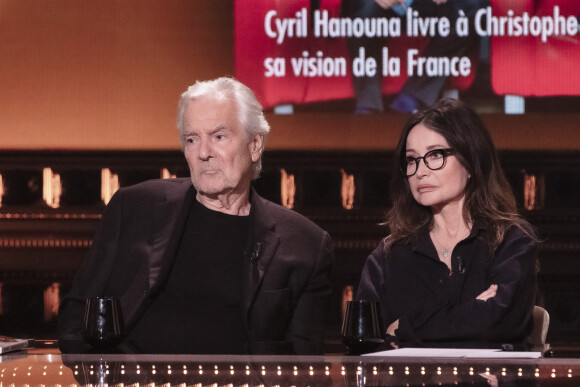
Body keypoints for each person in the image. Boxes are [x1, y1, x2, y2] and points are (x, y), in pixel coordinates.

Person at [58, 77, 334, 355]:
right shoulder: (133, 208)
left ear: (254, 145)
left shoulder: (304, 244)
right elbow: (78, 314)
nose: (203, 153)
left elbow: (304, 366)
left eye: (219, 137)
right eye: (192, 139)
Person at [357, 98, 538, 346]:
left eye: (436, 155)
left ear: (472, 161)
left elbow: (499, 324)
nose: (421, 171)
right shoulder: (387, 257)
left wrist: (407, 327)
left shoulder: (511, 241)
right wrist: (474, 312)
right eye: (412, 159)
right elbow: (366, 344)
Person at [342, 0, 488, 114]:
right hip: (380, 6)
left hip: (429, 6)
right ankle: (368, 107)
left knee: (474, 3)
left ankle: (412, 97)